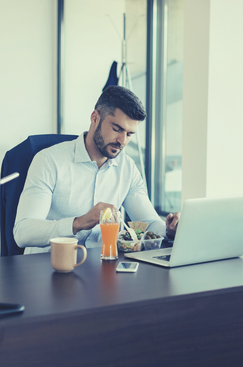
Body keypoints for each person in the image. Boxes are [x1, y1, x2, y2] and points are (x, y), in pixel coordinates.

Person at [14, 85, 180, 254]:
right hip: (49, 266)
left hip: (101, 266)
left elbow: (149, 223)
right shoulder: (49, 161)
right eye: (117, 129)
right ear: (95, 118)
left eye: (129, 134)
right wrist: (78, 223)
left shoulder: (127, 168)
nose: (122, 141)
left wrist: (170, 229)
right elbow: (22, 232)